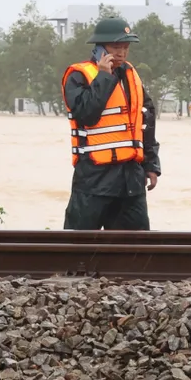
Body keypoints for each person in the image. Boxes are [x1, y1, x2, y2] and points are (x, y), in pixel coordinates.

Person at [61, 18, 160, 230]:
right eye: (116, 47)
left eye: (126, 47)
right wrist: (104, 76)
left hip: (131, 182)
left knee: (137, 252)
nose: (122, 53)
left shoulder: (131, 75)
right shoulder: (79, 75)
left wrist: (151, 164)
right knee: (78, 249)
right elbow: (86, 114)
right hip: (93, 181)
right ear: (99, 49)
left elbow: (145, 121)